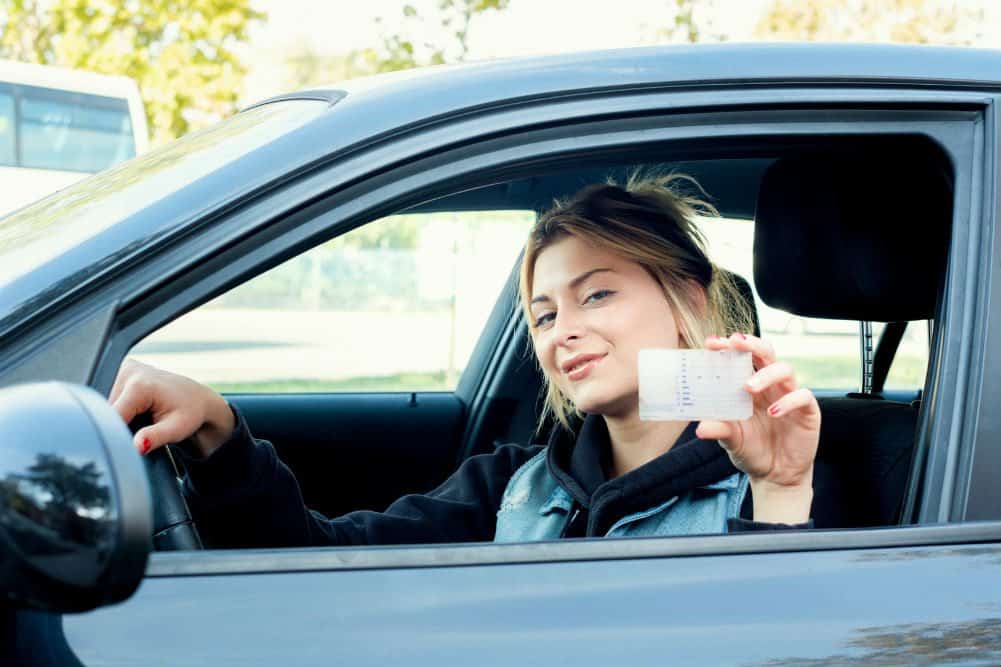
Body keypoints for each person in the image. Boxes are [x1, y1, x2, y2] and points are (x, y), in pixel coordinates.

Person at [110, 175, 821, 548]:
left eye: (595, 294)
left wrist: (783, 488)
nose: (560, 332)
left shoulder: (786, 467)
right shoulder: (510, 485)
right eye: (542, 315)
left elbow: (805, 637)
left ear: (688, 301)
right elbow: (324, 558)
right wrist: (217, 429)